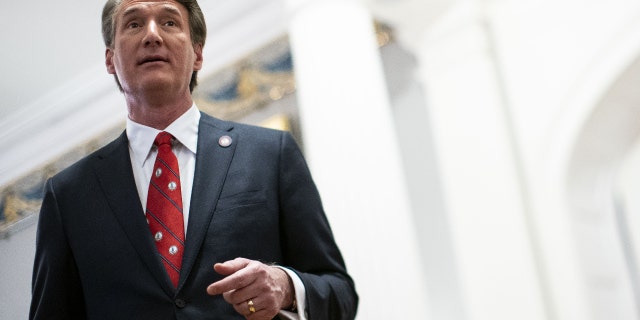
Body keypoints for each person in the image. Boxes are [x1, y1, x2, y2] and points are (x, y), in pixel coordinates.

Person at [29, 0, 358, 319]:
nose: (152, 34)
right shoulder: (68, 195)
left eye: (170, 21)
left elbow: (340, 294)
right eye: (133, 23)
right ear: (110, 60)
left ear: (198, 53)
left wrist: (285, 286)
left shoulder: (271, 153)